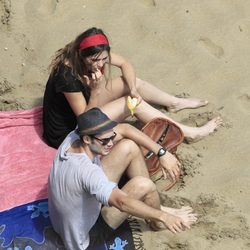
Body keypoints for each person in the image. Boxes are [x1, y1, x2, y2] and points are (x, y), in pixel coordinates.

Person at [43, 27, 222, 149]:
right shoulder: (67, 76)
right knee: (132, 104)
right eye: (94, 61)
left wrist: (133, 89)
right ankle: (189, 133)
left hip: (86, 103)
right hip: (69, 131)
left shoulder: (93, 51)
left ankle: (174, 103)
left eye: (103, 59)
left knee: (133, 83)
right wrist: (96, 91)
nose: (99, 64)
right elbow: (85, 120)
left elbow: (126, 64)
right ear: (81, 55)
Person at [48, 108, 197, 250]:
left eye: (111, 137)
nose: (111, 143)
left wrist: (162, 153)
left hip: (64, 219)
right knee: (144, 185)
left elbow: (125, 129)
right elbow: (121, 202)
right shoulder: (88, 173)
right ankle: (156, 223)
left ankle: (151, 203)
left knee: (129, 146)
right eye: (105, 141)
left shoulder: (73, 137)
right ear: (87, 139)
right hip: (85, 236)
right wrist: (164, 217)